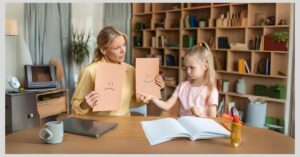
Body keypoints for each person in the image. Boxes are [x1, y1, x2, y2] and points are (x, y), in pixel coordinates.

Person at [71, 26, 165, 116]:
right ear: (103, 50)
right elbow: (75, 109)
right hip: (97, 126)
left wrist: (155, 89)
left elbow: (131, 102)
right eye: (117, 48)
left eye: (124, 45)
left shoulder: (130, 70)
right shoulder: (90, 71)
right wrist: (84, 105)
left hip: (124, 124)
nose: (123, 51)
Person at [139, 41, 218, 117]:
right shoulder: (182, 86)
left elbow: (213, 119)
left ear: (205, 66)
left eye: (192, 67)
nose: (188, 71)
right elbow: (167, 106)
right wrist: (153, 97)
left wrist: (200, 114)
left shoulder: (211, 90)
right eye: (186, 67)